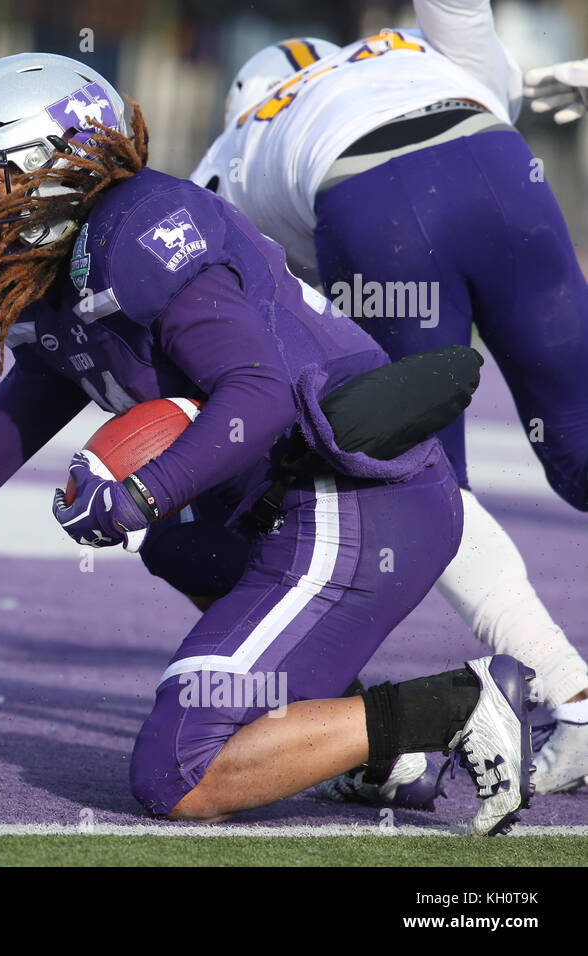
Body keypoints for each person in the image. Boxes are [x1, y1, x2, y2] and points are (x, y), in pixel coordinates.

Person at [0, 53, 535, 834]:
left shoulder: (138, 231)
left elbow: (258, 392)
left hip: (352, 495)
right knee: (180, 547)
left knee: (177, 773)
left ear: (57, 170)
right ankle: (371, 753)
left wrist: (142, 492)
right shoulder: (62, 286)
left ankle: (459, 703)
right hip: (291, 501)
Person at [190, 0, 588, 795]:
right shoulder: (404, 53)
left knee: (429, 486)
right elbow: (467, 21)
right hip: (499, 163)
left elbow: (212, 295)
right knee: (582, 450)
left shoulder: (237, 148)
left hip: (372, 202)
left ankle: (569, 694)